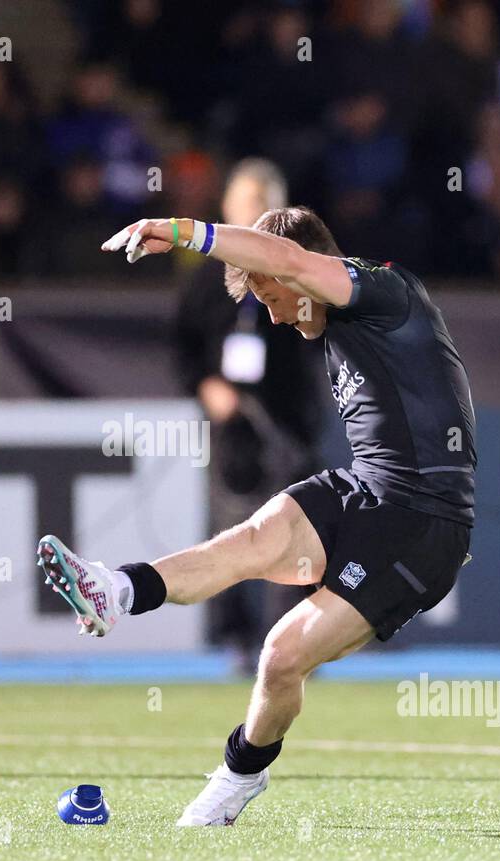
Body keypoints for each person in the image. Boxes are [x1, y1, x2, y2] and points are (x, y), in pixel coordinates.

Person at [37, 207, 476, 826]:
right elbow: (287, 272)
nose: (269, 312)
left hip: (422, 525)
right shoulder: (336, 327)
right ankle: (114, 591)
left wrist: (185, 232)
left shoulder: (381, 287)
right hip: (366, 491)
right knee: (249, 539)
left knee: (279, 657)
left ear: (301, 271)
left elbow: (292, 261)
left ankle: (237, 779)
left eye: (270, 292)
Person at [172, 159, 324, 674]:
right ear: (227, 210)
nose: (251, 214)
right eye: (243, 204)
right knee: (231, 526)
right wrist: (205, 386)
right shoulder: (206, 280)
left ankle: (299, 637)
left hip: (287, 415)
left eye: (262, 205)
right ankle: (235, 637)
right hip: (232, 424)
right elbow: (182, 347)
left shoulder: (302, 268)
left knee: (299, 528)